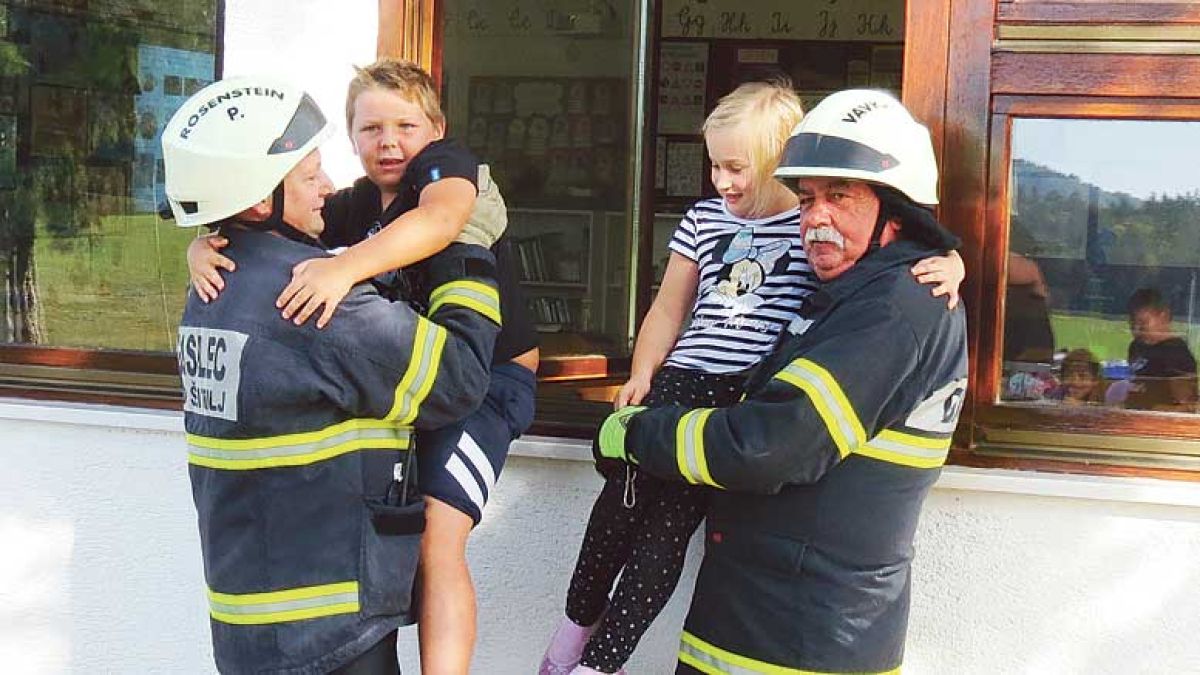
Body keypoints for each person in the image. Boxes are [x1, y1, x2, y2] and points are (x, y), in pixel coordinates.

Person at [540, 82, 964, 675]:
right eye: (808, 197)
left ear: (898, 212)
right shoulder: (847, 289)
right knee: (616, 523)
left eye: (839, 196)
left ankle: (592, 662)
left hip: (801, 642)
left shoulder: (895, 308)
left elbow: (766, 447)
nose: (816, 218)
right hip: (753, 629)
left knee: (658, 539)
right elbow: (671, 309)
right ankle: (574, 642)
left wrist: (636, 434)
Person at [187, 59, 539, 673]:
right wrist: (204, 241)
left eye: (406, 125)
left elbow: (443, 220)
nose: (389, 142)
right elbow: (272, 230)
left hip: (490, 382)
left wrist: (346, 267)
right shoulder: (353, 204)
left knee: (437, 536)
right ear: (352, 136)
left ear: (437, 130)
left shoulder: (446, 167)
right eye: (371, 129)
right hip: (420, 377)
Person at [1124, 287, 1198, 411]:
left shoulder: (1175, 352)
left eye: (1143, 323)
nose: (1137, 329)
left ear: (1164, 316)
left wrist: (1153, 408)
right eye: (1132, 323)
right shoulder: (1136, 347)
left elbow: (1187, 407)